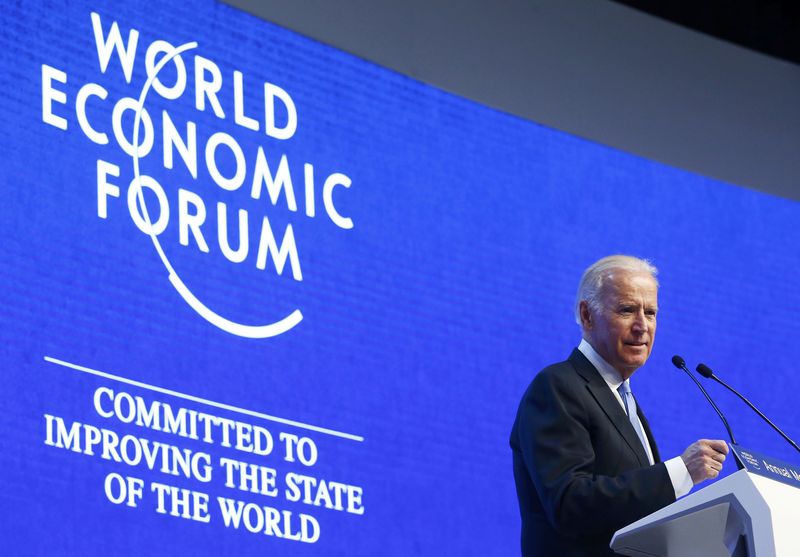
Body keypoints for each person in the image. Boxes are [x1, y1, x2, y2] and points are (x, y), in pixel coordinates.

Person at [510, 255, 728, 556]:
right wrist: (680, 472)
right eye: (627, 310)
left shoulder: (622, 398)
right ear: (587, 316)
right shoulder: (557, 387)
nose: (642, 326)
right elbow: (569, 503)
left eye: (650, 312)